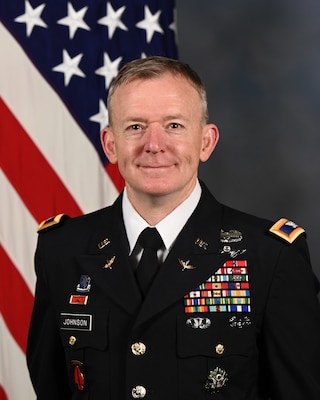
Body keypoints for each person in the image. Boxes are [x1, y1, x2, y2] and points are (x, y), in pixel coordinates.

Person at [27, 56, 320, 400]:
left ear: (206, 142)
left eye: (174, 126)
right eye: (135, 126)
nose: (154, 144)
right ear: (110, 143)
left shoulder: (271, 258)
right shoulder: (62, 251)